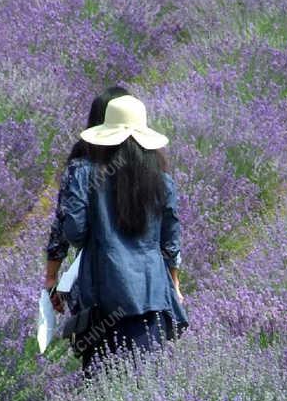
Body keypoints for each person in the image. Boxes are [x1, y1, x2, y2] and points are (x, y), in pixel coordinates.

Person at [56, 94, 188, 375]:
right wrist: (175, 284)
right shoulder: (162, 181)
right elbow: (171, 240)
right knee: (146, 385)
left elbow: (75, 232)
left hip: (102, 296)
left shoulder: (85, 175)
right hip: (151, 294)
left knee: (101, 384)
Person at [44, 84, 130, 307]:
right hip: (143, 283)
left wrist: (52, 277)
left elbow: (66, 227)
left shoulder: (80, 169)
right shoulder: (151, 170)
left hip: (93, 276)